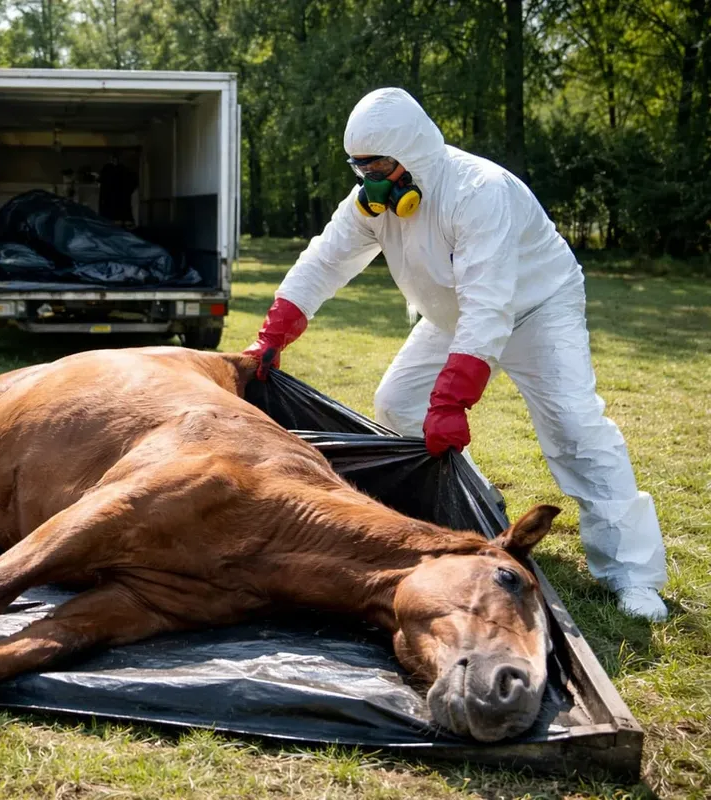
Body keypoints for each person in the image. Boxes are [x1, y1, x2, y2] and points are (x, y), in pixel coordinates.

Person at [243, 88, 668, 621]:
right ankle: (480, 502)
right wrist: (273, 334)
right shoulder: (371, 203)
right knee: (398, 403)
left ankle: (632, 574)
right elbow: (324, 261)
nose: (369, 180)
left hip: (537, 308)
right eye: (359, 167)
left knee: (574, 427)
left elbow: (490, 304)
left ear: (413, 155)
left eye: (378, 166)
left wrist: (452, 400)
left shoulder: (479, 192)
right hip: (455, 314)